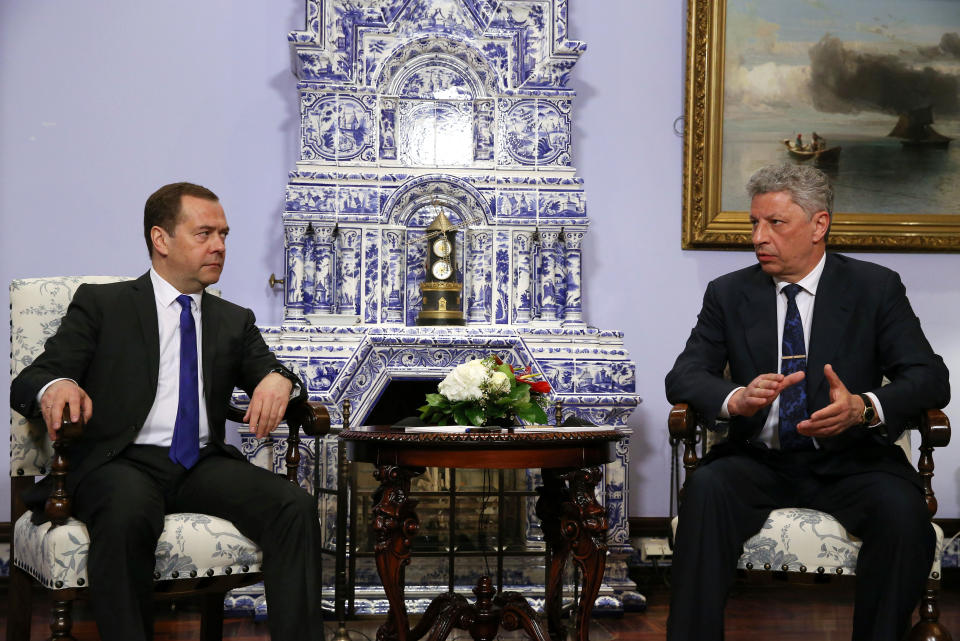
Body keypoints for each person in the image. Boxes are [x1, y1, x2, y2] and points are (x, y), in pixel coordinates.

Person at [10, 182, 325, 641]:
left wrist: (283, 379)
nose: (219, 246)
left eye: (224, 235)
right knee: (127, 510)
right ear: (161, 239)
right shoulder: (104, 306)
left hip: (200, 463)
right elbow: (32, 380)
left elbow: (273, 374)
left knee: (293, 506)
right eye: (204, 234)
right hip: (119, 461)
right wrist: (58, 386)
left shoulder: (233, 320)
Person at [664, 164, 950, 641]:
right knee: (706, 491)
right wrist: (736, 398)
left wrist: (864, 406)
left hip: (853, 461)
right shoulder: (729, 293)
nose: (759, 237)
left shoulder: (874, 288)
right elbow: (685, 375)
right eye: (754, 223)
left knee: (903, 512)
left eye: (775, 223)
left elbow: (929, 378)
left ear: (819, 225)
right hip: (759, 459)